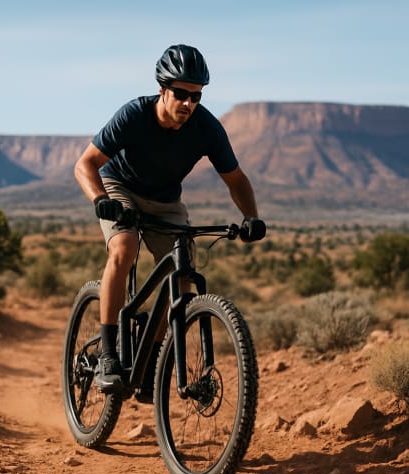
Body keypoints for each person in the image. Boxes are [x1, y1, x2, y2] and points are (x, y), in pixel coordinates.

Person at [74, 44, 266, 394]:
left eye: (196, 96)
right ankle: (108, 354)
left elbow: (236, 179)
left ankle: (153, 360)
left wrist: (251, 217)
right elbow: (85, 164)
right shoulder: (134, 114)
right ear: (163, 89)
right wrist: (100, 200)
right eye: (181, 94)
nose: (189, 103)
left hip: (165, 200)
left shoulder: (207, 127)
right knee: (124, 247)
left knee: (183, 276)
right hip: (121, 189)